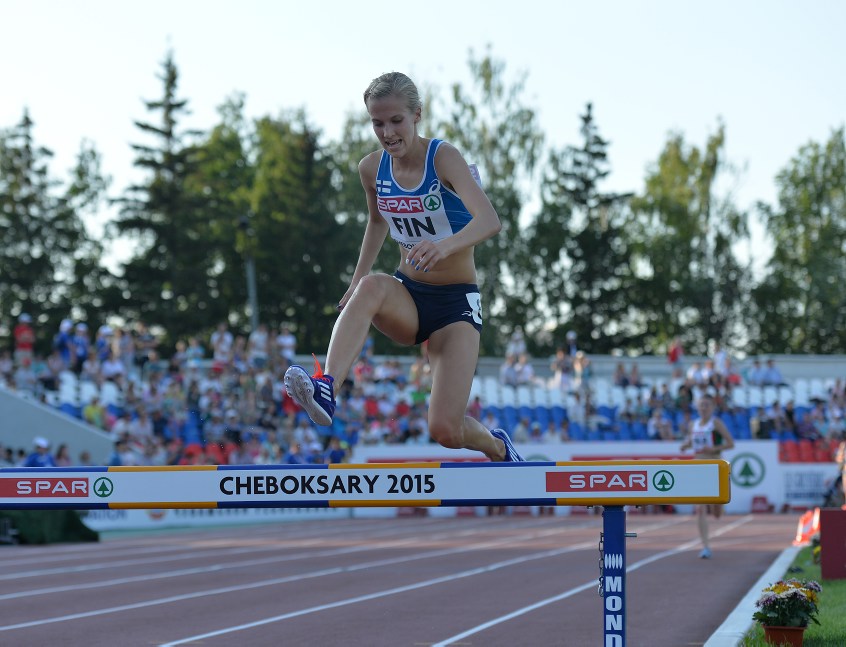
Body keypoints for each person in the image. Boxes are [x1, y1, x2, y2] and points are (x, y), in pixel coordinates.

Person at [283, 71, 522, 462]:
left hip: (455, 306)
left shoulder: (444, 158)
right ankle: (326, 387)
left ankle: (497, 446)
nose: (387, 132)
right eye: (378, 123)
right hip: (408, 294)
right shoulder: (371, 169)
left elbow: (489, 221)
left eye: (396, 121)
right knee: (373, 286)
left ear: (417, 116)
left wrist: (445, 247)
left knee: (445, 429)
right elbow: (377, 222)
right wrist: (357, 280)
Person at [680, 394, 735, 559]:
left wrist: (714, 449)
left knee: (717, 512)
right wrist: (685, 445)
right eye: (701, 405)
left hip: (715, 467)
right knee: (700, 508)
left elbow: (730, 443)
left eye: (707, 405)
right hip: (699, 468)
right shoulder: (693, 424)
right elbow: (692, 441)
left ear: (712, 407)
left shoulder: (716, 423)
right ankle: (705, 546)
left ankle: (717, 507)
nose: (703, 408)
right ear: (697, 407)